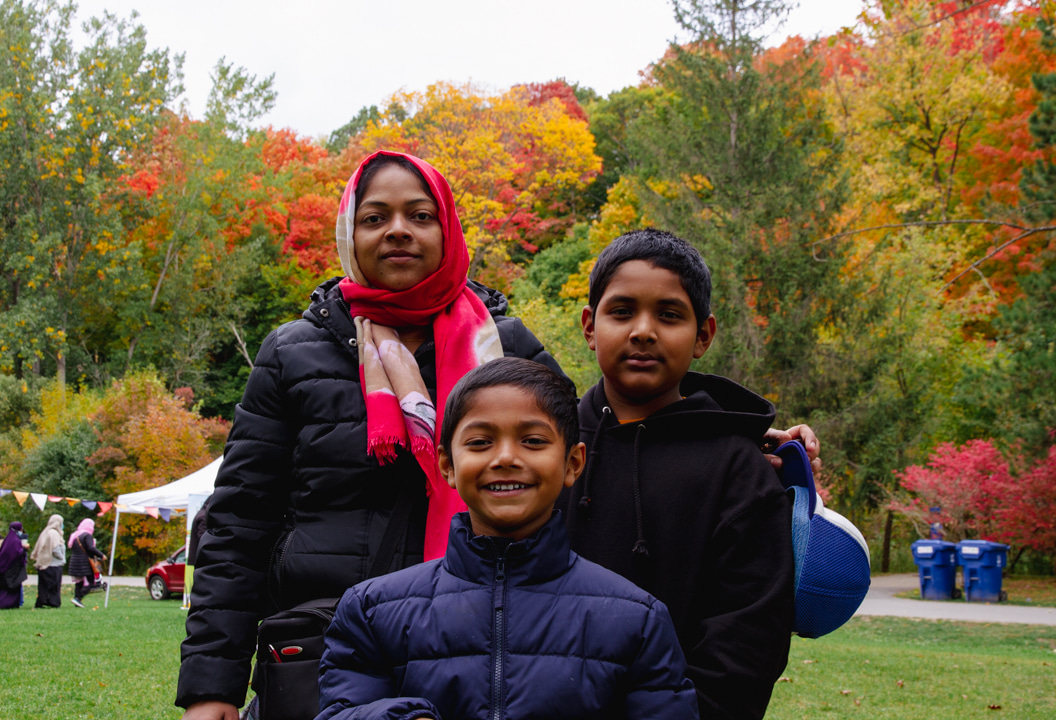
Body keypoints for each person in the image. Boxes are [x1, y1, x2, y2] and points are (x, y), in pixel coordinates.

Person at [178, 151, 567, 720]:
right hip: (327, 656)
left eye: (420, 215)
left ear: (448, 230)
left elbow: (575, 484)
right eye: (375, 217)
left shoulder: (508, 350)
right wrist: (212, 690)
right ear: (349, 233)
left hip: (487, 653)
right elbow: (239, 526)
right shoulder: (291, 354)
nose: (398, 231)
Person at [316, 357, 699, 720]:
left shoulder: (637, 619)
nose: (505, 458)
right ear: (447, 465)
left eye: (532, 441)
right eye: (480, 442)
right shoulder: (372, 611)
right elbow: (341, 710)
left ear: (573, 463)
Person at [560, 228, 796, 720]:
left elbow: (750, 637)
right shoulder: (549, 447)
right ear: (589, 326)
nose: (643, 330)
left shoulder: (740, 468)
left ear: (703, 335)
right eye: (621, 311)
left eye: (669, 315)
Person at [0, 521, 27, 609]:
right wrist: (24, 549)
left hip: (9, 568)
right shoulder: (14, 540)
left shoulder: (9, 539)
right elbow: (15, 553)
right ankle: (0, 603)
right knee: (9, 588)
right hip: (12, 569)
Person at [67, 518, 106, 608]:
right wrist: (101, 555)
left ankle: (77, 600)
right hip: (84, 562)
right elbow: (90, 548)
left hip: (74, 561)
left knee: (79, 582)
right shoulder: (87, 535)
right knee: (91, 581)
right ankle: (78, 597)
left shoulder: (75, 535)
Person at [33, 514, 66, 608]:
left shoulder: (46, 532)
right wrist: (62, 558)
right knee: (53, 585)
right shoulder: (53, 533)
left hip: (46, 563)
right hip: (53, 564)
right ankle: (52, 602)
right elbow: (55, 548)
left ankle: (43, 601)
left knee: (44, 585)